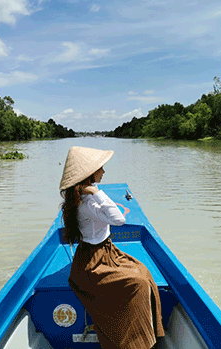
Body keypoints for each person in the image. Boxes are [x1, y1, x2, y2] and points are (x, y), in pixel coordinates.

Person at [59, 146, 165, 349]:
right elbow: (119, 219)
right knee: (140, 282)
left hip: (103, 251)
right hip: (95, 259)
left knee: (142, 272)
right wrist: (98, 193)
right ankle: (134, 342)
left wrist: (95, 193)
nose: (104, 172)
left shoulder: (81, 198)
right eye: (101, 168)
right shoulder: (88, 203)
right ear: (90, 174)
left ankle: (146, 335)